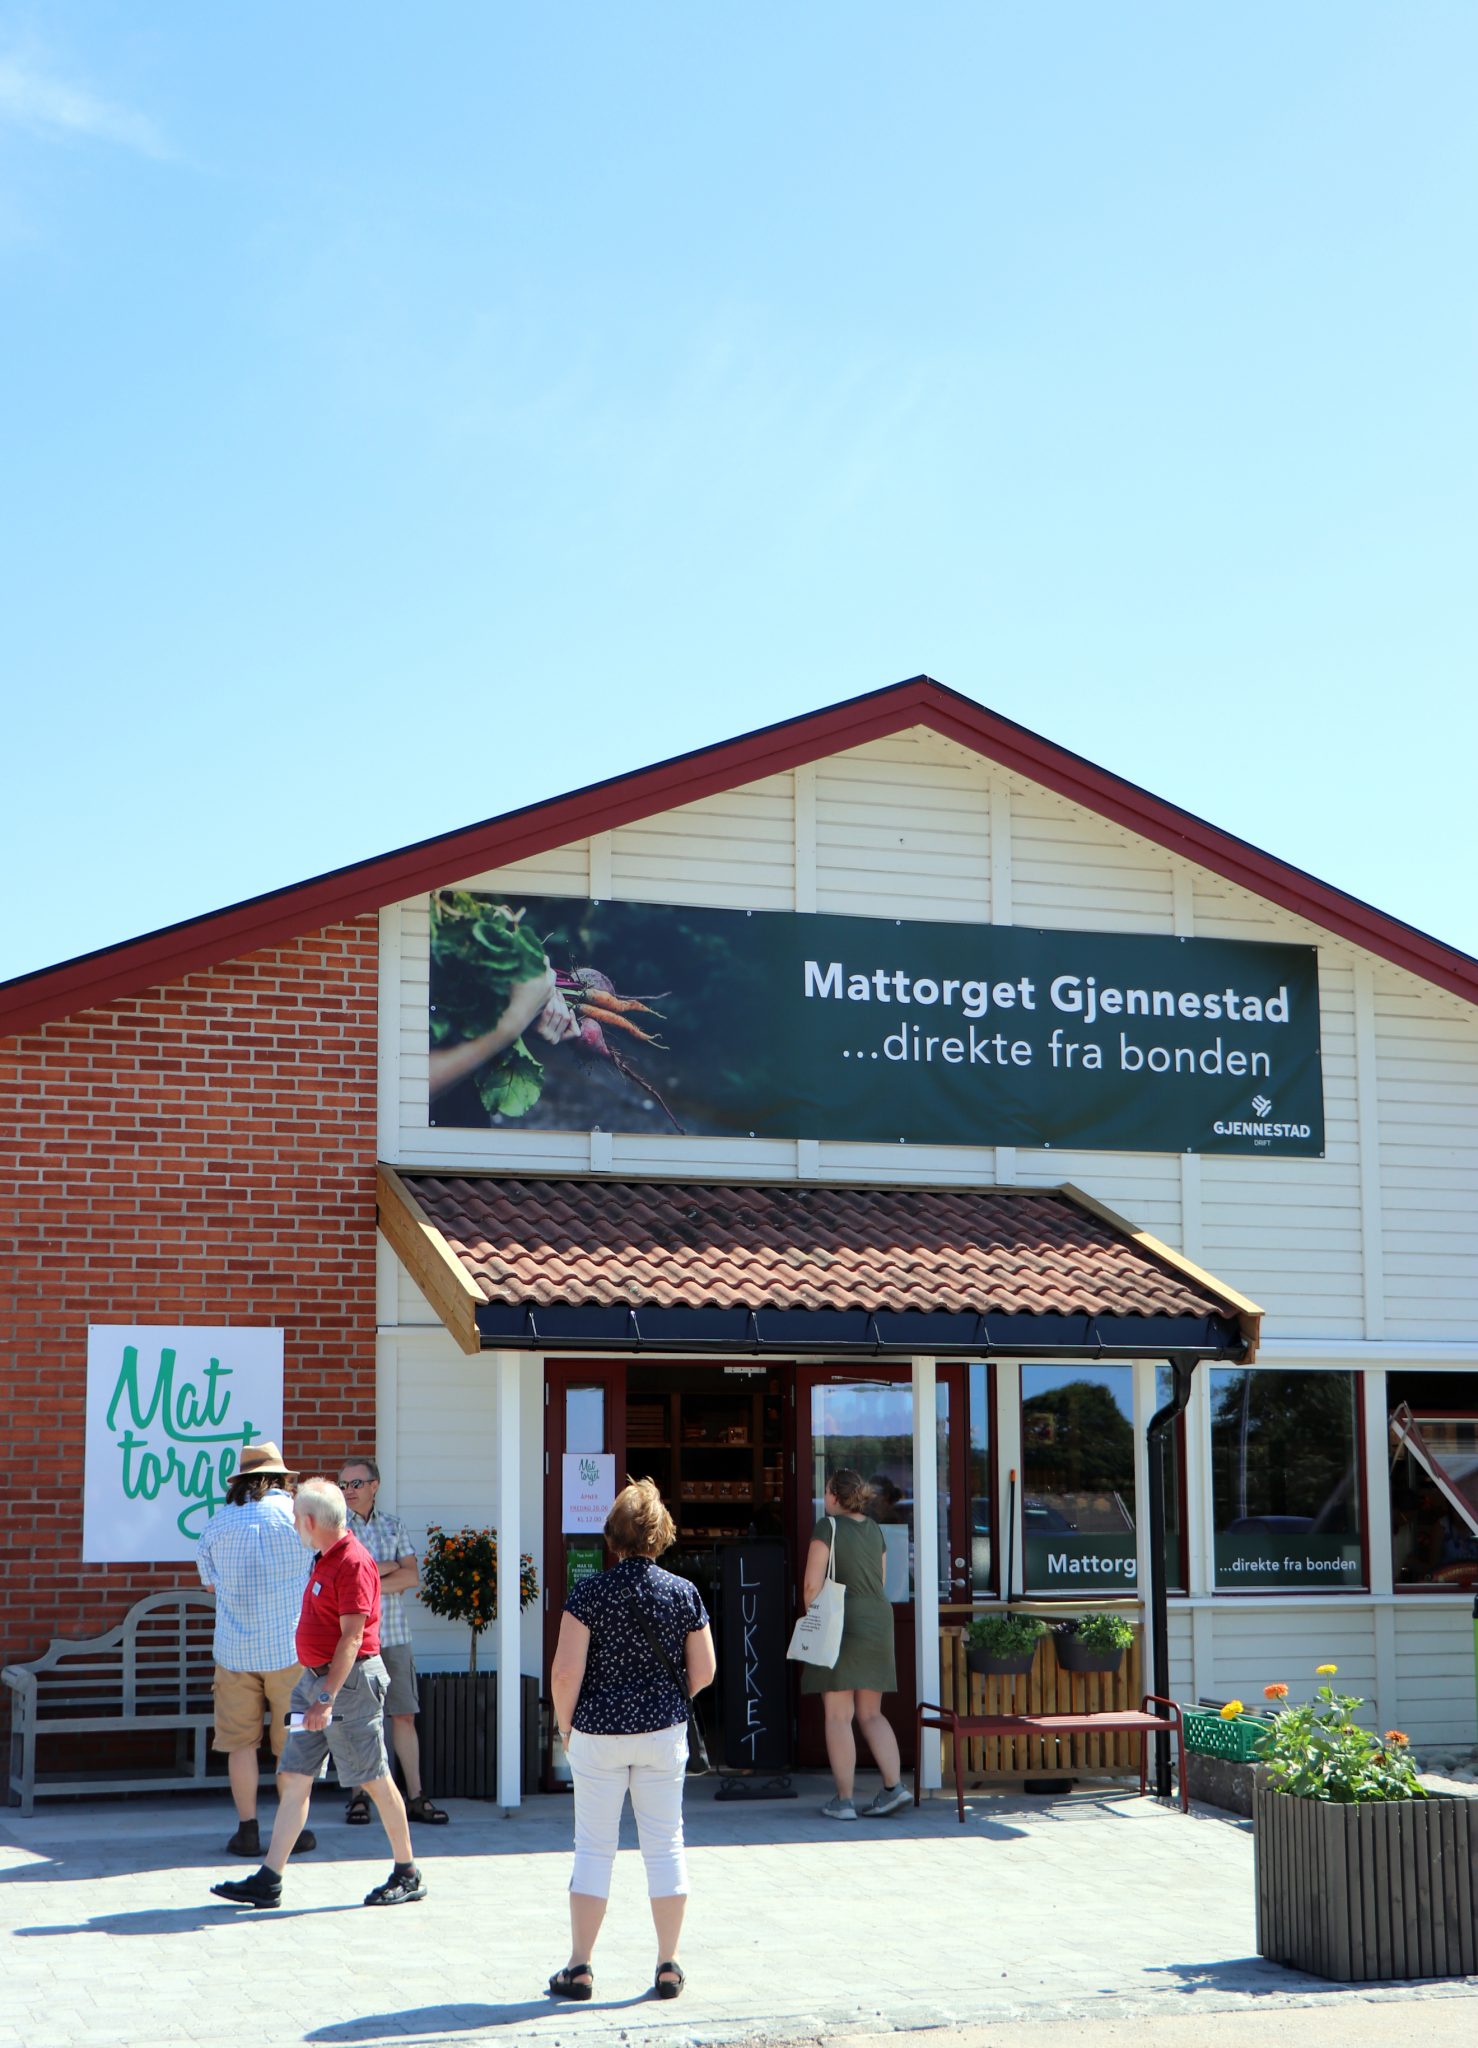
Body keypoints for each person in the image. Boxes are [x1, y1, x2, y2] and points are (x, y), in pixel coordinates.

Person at [210, 1477, 424, 1910]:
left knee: (374, 1778)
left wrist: (326, 1698)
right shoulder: (324, 1557)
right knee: (295, 1777)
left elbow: (352, 1638)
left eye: (295, 1518)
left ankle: (407, 1871)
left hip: (347, 1686)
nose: (292, 1524)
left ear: (310, 1521)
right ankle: (269, 1879)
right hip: (314, 1682)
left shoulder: (353, 1562)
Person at [547, 1477, 716, 2003]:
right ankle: (668, 1964)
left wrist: (566, 1727)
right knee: (665, 1845)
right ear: (660, 1534)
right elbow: (705, 1670)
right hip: (662, 1733)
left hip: (598, 1732)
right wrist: (665, 1699)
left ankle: (580, 1966)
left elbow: (565, 1674)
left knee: (593, 1848)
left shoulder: (589, 1594)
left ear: (613, 1536)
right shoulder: (682, 1592)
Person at [194, 1440, 316, 1858]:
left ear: (241, 1482)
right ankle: (292, 1831)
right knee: (292, 1744)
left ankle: (247, 1830)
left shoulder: (216, 1524)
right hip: (290, 1649)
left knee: (240, 1745)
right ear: (281, 1479)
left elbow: (210, 1585)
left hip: (234, 1650)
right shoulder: (298, 1519)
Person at [338, 1454, 448, 1827]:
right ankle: (359, 1797)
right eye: (343, 1484)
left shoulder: (393, 1526)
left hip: (395, 1636)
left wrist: (366, 1578)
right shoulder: (338, 1529)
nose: (348, 1491)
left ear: (375, 1485)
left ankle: (415, 1796)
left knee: (403, 1714)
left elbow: (411, 1577)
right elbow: (341, 1583)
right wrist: (384, 1569)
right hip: (355, 1640)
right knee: (359, 1719)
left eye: (356, 1483)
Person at [801, 1467, 907, 1820]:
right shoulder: (874, 1528)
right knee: (872, 1713)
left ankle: (844, 1801)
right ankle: (894, 1787)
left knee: (838, 1714)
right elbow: (880, 1579)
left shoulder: (827, 1527)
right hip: (877, 1618)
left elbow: (811, 1586)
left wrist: (814, 1620)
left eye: (827, 1490)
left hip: (842, 1620)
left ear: (834, 1495)